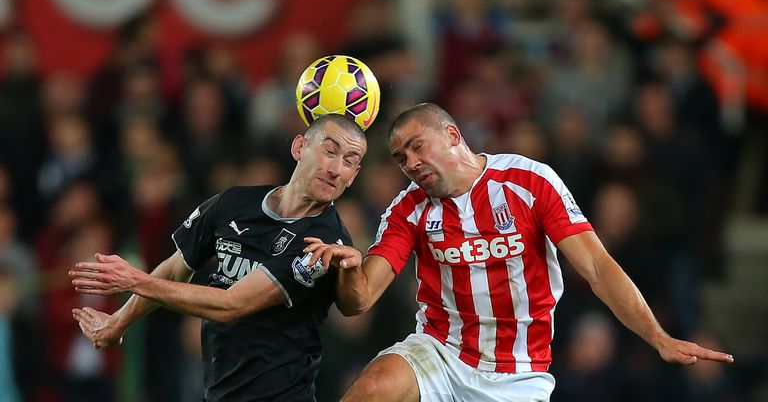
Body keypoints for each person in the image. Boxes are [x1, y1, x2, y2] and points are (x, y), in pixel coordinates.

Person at [303, 103, 734, 402]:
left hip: (518, 370)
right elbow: (359, 301)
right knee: (373, 387)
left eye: (417, 146)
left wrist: (657, 337)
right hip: (441, 349)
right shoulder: (408, 208)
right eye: (400, 158)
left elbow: (598, 270)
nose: (410, 163)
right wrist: (349, 266)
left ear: (452, 135)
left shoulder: (530, 182)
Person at [68, 114, 367, 401]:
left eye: (350, 162)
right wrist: (119, 322)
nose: (336, 169)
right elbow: (175, 269)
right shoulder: (233, 203)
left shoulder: (325, 242)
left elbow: (232, 304)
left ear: (353, 177)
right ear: (299, 147)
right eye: (330, 151)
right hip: (219, 392)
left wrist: (135, 280)